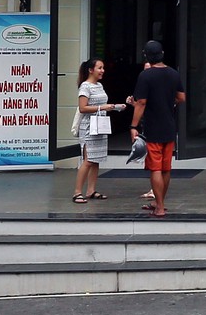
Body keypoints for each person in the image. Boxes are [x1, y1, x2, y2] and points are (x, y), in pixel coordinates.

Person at [126, 40, 185, 219]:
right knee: (166, 168)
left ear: (146, 56)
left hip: (153, 128)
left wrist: (133, 126)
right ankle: (160, 203)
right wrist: (169, 103)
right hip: (169, 126)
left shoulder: (146, 76)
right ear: (162, 54)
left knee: (155, 169)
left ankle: (159, 207)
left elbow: (141, 102)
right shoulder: (174, 73)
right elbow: (181, 97)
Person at [71, 58, 122, 204]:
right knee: (88, 160)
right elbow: (83, 108)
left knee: (96, 160)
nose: (102, 71)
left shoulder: (99, 85)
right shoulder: (85, 86)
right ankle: (77, 192)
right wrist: (102, 107)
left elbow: (102, 104)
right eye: (99, 68)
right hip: (88, 127)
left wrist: (115, 107)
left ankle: (91, 190)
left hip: (99, 126)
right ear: (90, 70)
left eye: (103, 68)